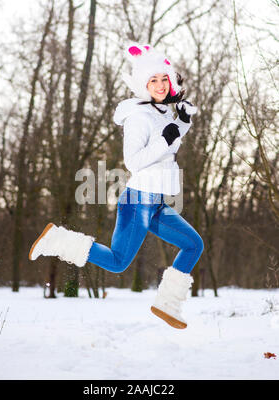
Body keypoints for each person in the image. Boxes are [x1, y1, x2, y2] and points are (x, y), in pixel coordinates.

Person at [29, 43, 204, 329]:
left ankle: (168, 304)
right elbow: (134, 162)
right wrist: (167, 136)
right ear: (143, 84)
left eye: (163, 79)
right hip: (138, 201)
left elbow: (167, 145)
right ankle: (56, 239)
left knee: (193, 244)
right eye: (152, 80)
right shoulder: (138, 117)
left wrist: (181, 123)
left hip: (156, 201)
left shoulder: (160, 112)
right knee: (118, 261)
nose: (159, 85)